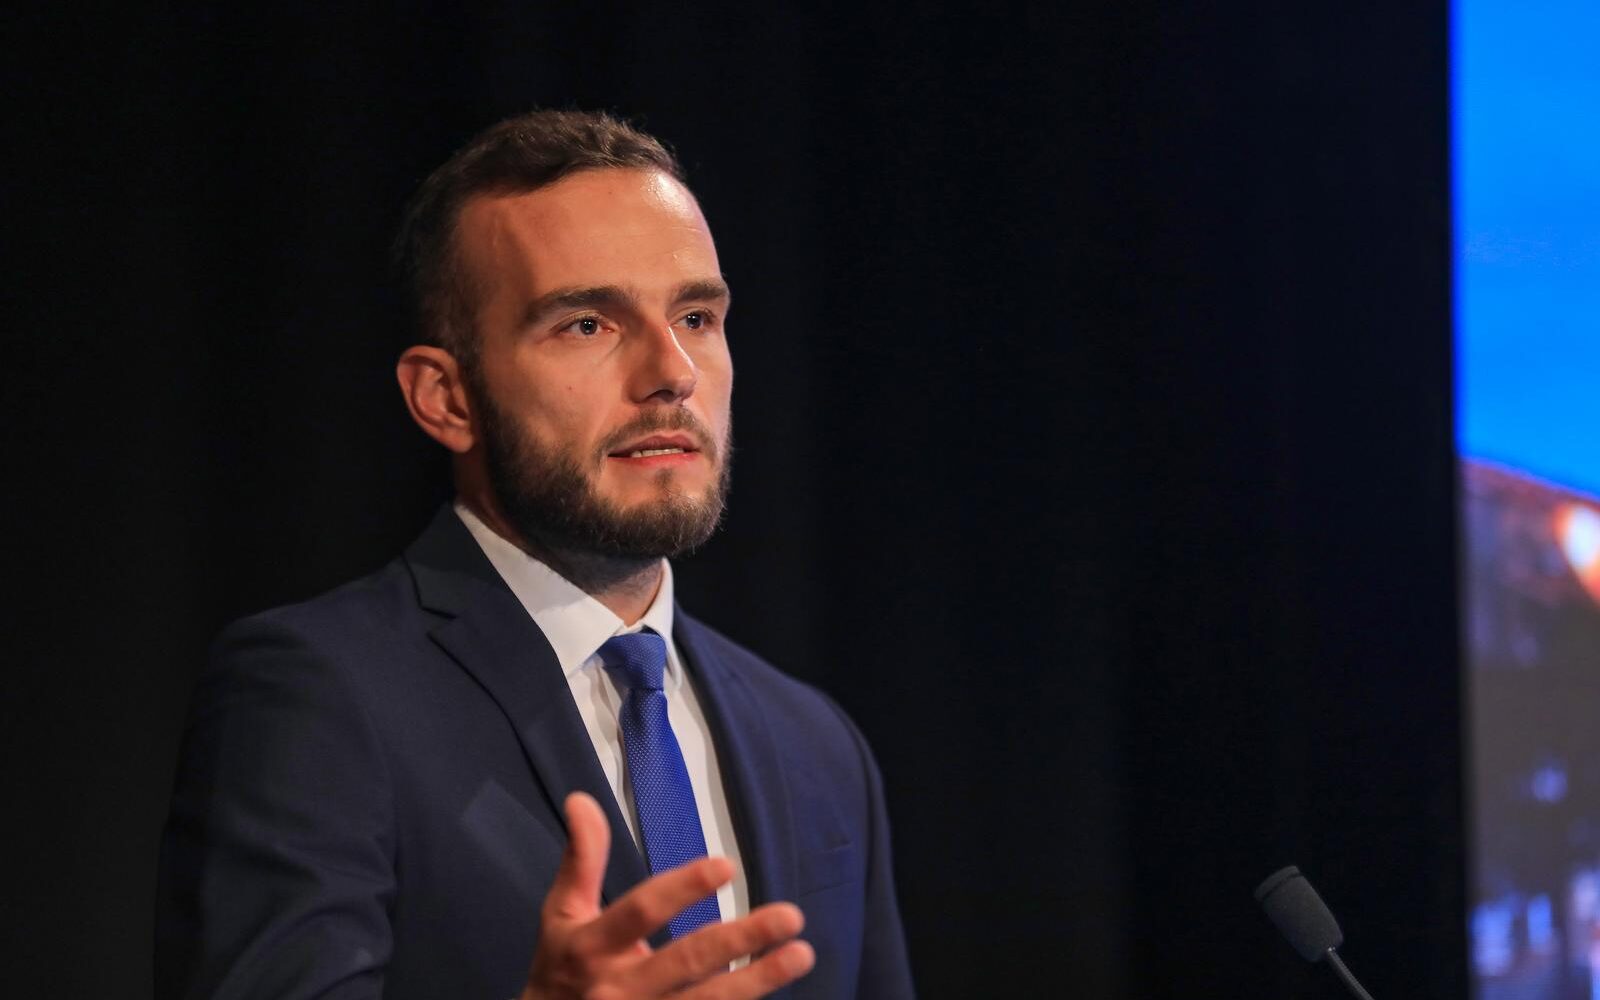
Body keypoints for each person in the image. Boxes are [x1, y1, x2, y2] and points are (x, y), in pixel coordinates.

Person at [155, 110, 915, 1000]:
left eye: (696, 316)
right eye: (588, 324)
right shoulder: (317, 697)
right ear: (446, 398)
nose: (672, 372)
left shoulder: (817, 743)